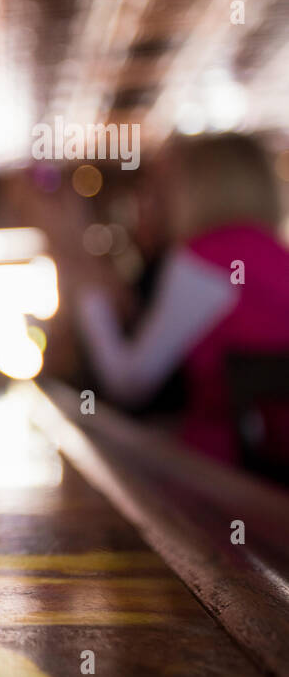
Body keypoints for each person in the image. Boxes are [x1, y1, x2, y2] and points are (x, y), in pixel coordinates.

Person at [71, 134, 289, 468]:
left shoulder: (204, 256)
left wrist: (88, 296)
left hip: (232, 472)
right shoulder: (275, 253)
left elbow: (131, 381)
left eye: (162, 188)